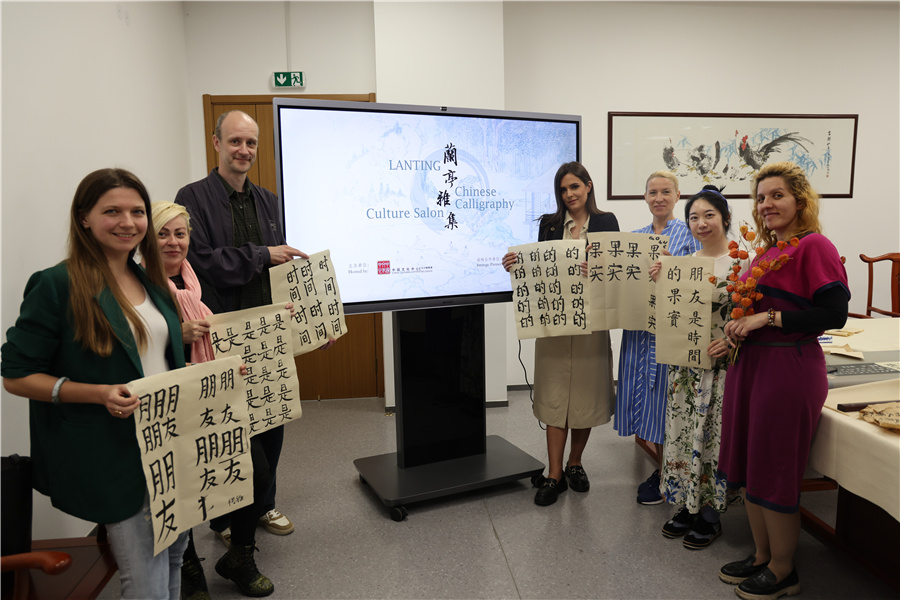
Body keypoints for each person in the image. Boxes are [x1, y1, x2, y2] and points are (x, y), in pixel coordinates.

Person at [1, 169, 189, 600]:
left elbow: (159, 358)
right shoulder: (56, 284)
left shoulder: (149, 279)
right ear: (84, 218)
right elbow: (15, 375)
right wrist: (99, 393)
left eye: (137, 211)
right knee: (145, 583)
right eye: (113, 211)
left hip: (169, 444)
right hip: (114, 452)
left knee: (176, 557)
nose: (128, 222)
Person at [718, 162, 848, 600]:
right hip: (752, 368)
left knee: (774, 468)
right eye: (761, 197)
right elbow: (749, 315)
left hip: (787, 370)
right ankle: (760, 555)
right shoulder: (766, 253)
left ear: (800, 201)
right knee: (753, 466)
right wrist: (735, 332)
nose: (767, 204)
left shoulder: (814, 247)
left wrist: (767, 317)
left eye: (777, 195)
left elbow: (834, 314)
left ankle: (783, 568)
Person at [175, 110, 305, 545]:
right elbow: (199, 261)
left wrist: (313, 323)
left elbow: (288, 264)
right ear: (216, 143)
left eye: (250, 143)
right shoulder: (191, 198)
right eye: (235, 142)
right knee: (231, 424)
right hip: (221, 333)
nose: (243, 151)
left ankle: (264, 504)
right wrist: (260, 256)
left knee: (272, 417)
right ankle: (226, 518)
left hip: (268, 331)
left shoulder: (269, 200)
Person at [152, 201, 273, 598]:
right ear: (147, 240)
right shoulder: (140, 287)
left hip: (216, 395)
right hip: (170, 406)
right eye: (163, 234)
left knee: (256, 469)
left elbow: (228, 329)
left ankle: (239, 554)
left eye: (180, 234)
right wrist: (174, 334)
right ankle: (187, 564)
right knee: (183, 488)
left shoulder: (198, 278)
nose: (173, 243)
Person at [502, 162, 619, 506]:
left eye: (575, 187)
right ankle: (554, 473)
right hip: (553, 321)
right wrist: (516, 266)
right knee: (554, 397)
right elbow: (540, 270)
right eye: (563, 190)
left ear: (588, 186)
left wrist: (597, 268)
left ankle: (575, 463)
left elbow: (614, 270)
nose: (569, 195)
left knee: (585, 396)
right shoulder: (550, 225)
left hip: (592, 321)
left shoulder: (606, 222)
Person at [649, 185, 744, 550]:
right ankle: (686, 505)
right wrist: (659, 280)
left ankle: (710, 514)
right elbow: (664, 315)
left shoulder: (743, 262)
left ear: (725, 219)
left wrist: (733, 340)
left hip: (720, 368)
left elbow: (751, 317)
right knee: (683, 432)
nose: (700, 223)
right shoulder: (683, 264)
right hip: (685, 367)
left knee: (711, 438)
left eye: (708, 216)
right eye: (693, 217)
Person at [615, 170, 701, 505]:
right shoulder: (634, 238)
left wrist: (674, 266)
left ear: (678, 196)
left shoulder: (690, 235)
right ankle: (664, 468)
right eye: (653, 192)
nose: (659, 198)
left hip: (670, 332)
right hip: (638, 332)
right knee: (644, 401)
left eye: (666, 191)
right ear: (645, 197)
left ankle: (670, 472)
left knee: (668, 403)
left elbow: (699, 277)